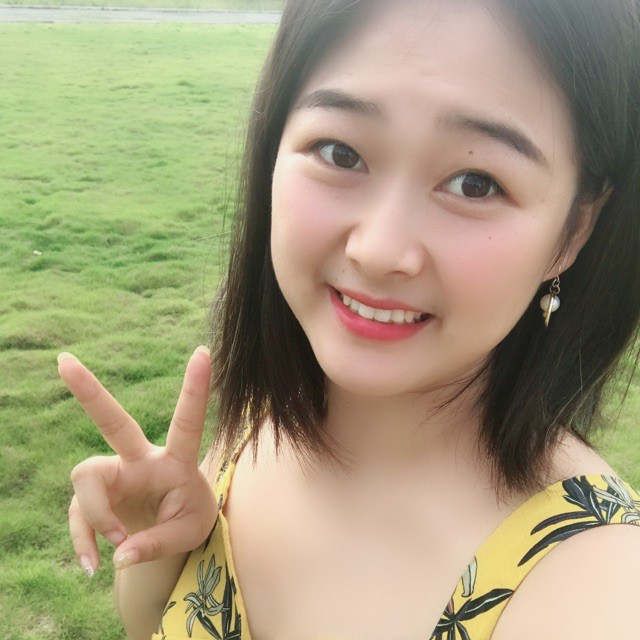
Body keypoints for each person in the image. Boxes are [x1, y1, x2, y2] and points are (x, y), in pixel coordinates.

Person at [58, 0, 640, 638]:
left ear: (574, 230)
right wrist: (158, 541)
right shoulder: (256, 427)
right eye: (340, 152)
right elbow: (149, 625)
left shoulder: (598, 590)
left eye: (475, 183)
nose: (378, 249)